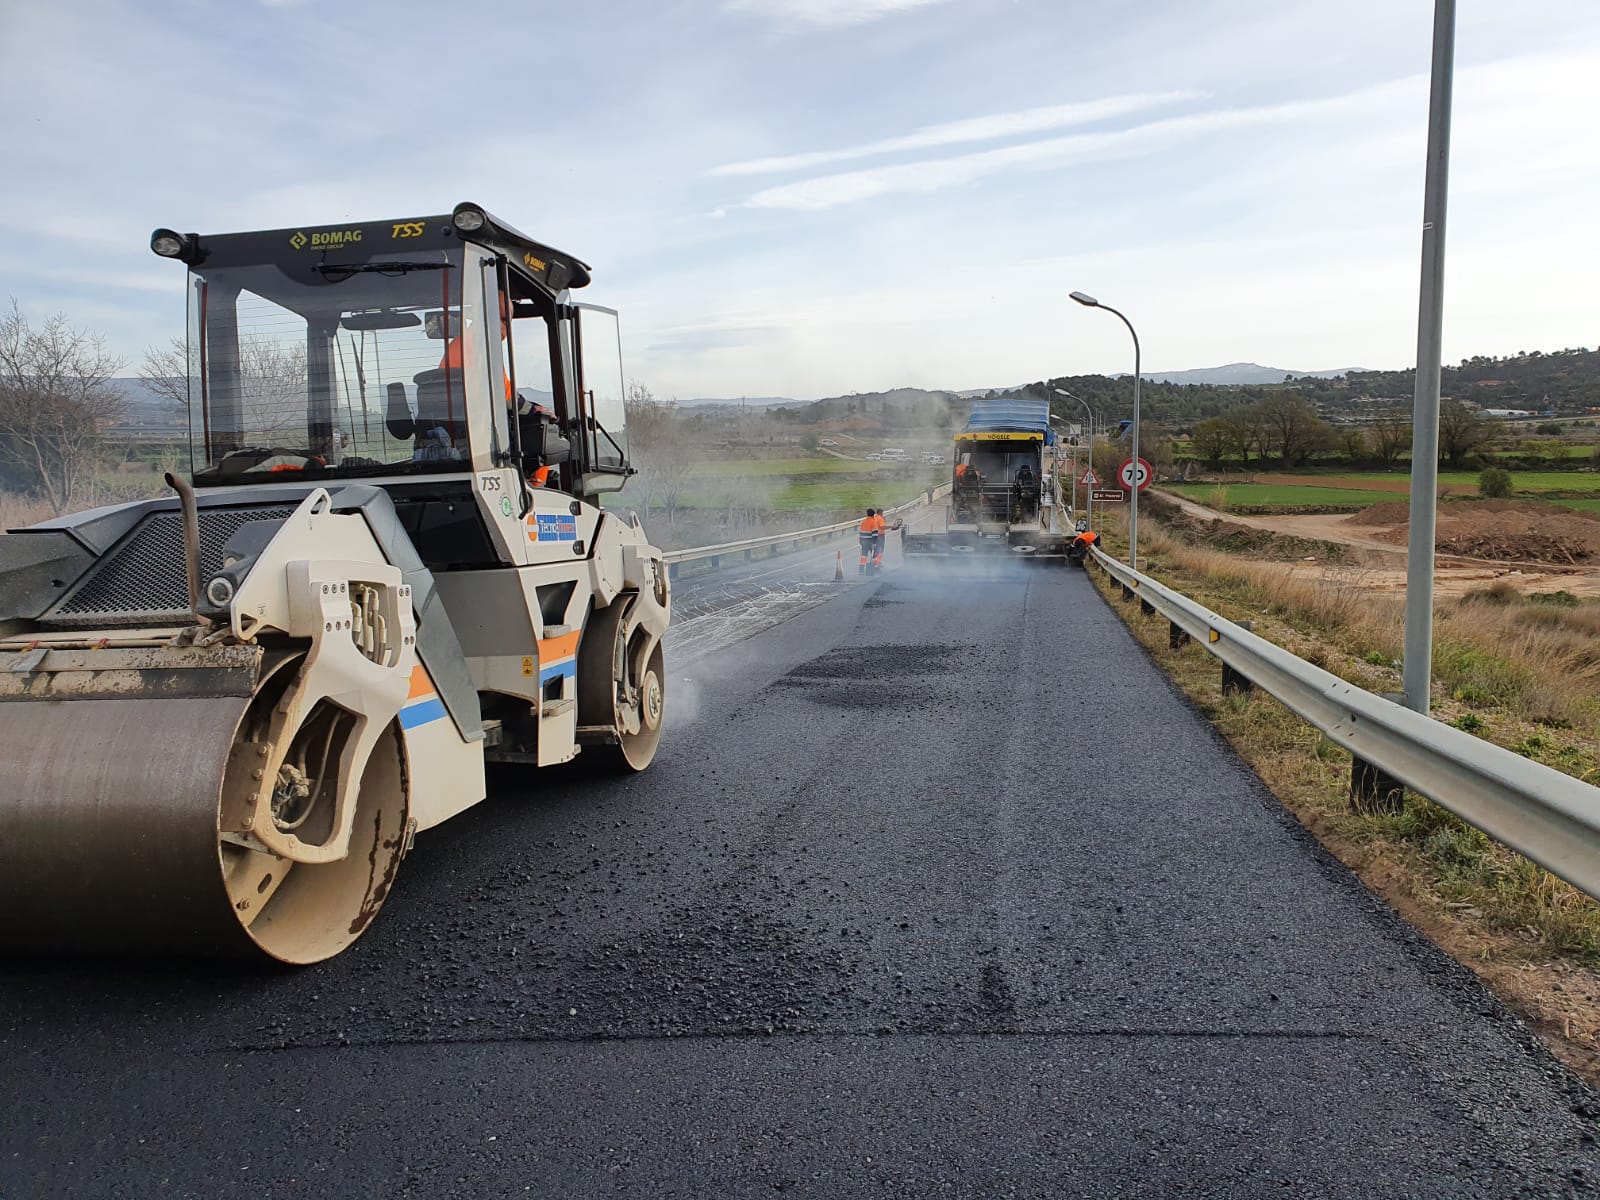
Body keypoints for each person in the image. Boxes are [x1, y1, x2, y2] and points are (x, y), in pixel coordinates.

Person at [858, 509, 879, 575]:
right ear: (873, 515)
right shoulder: (873, 522)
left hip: (864, 541)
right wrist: (875, 543)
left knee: (863, 556)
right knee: (874, 555)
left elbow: (861, 533)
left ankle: (861, 569)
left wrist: (861, 541)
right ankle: (876, 568)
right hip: (870, 541)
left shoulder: (864, 522)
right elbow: (875, 534)